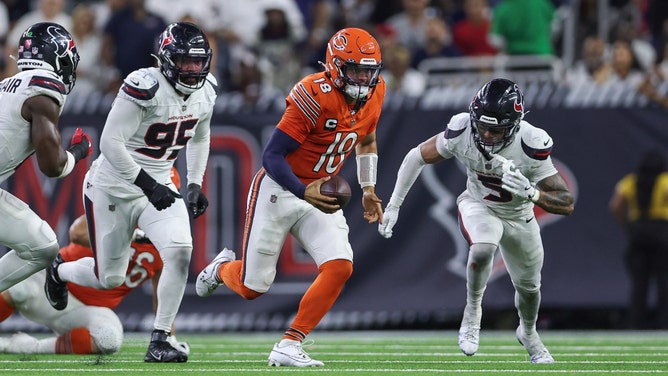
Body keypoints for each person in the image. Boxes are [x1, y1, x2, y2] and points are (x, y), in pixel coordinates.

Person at [195, 27, 386, 367]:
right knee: (253, 287)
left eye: (369, 71)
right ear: (336, 66)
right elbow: (272, 156)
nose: (364, 78)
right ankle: (223, 267)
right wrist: (302, 190)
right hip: (281, 190)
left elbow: (367, 141)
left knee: (340, 266)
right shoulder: (314, 93)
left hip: (321, 193)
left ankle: (289, 343)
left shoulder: (377, 92)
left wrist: (368, 189)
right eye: (356, 70)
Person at [43, 22, 216, 363]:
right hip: (112, 185)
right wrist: (149, 186)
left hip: (159, 181)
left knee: (180, 249)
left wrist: (194, 182)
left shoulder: (207, 89)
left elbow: (200, 135)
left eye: (199, 62)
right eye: (186, 62)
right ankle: (59, 270)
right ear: (167, 59)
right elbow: (110, 143)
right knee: (108, 278)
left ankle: (160, 338)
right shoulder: (144, 85)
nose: (194, 70)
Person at [378, 78, 574, 364]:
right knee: (482, 248)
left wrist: (531, 192)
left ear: (514, 124)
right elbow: (415, 156)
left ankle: (529, 333)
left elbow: (566, 202)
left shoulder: (531, 142)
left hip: (520, 217)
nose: (486, 134)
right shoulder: (461, 130)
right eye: (481, 126)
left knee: (530, 289)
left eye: (495, 130)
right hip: (479, 205)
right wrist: (394, 205)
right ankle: (472, 313)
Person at [0, 168, 190, 355]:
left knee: (108, 339)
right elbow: (77, 232)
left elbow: (162, 296)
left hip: (88, 310)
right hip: (46, 285)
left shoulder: (168, 240)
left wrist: (169, 338)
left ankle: (23, 347)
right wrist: (134, 234)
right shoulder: (116, 206)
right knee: (16, 288)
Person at [0, 22, 92, 292]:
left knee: (43, 246)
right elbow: (53, 167)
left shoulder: (7, 85)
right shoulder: (43, 88)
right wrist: (78, 152)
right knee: (42, 247)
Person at [609, 150, 668, 329]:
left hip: (638, 232)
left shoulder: (630, 181)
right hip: (662, 233)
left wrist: (627, 226)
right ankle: (664, 323)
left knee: (639, 283)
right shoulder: (665, 181)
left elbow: (615, 206)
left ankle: (636, 323)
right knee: (664, 281)